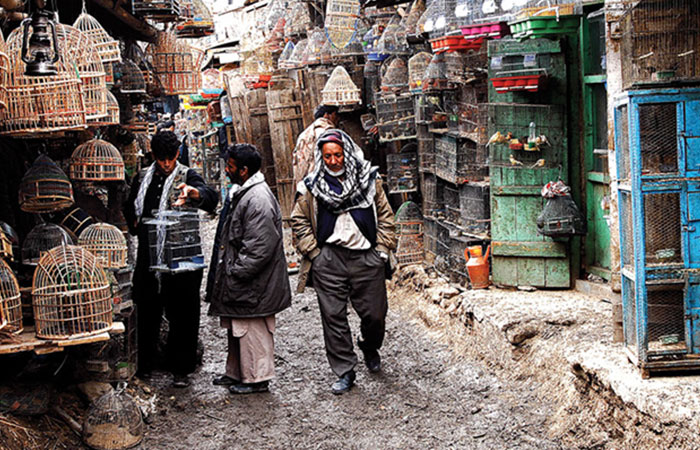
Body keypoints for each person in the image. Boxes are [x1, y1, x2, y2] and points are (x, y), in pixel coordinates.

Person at [291, 129, 397, 395]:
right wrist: (314, 254)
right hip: (329, 260)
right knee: (333, 317)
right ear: (321, 157)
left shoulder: (369, 180)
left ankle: (369, 345)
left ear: (346, 153)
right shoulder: (311, 186)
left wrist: (382, 250)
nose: (333, 161)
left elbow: (386, 215)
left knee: (375, 315)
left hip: (366, 259)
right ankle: (345, 371)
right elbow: (299, 220)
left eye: (338, 155)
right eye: (327, 156)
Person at [124, 130, 218, 388]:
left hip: (182, 260)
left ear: (177, 154)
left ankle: (181, 370)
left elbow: (211, 197)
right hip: (149, 258)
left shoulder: (187, 175)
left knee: (183, 314)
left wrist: (194, 195)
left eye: (171, 158)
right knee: (146, 311)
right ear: (154, 155)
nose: (167, 164)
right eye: (162, 158)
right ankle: (144, 366)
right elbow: (131, 206)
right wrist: (135, 222)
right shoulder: (143, 177)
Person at [205, 144, 292, 394]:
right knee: (238, 327)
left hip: (254, 282)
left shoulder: (257, 199)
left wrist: (235, 272)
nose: (226, 171)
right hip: (245, 279)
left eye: (230, 167)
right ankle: (237, 373)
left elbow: (259, 249)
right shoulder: (245, 192)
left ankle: (256, 379)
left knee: (252, 329)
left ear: (243, 170)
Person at [292, 104, 340, 192]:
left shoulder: (306, 133)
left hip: (306, 180)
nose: (338, 118)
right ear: (326, 115)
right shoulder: (326, 132)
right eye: (335, 114)